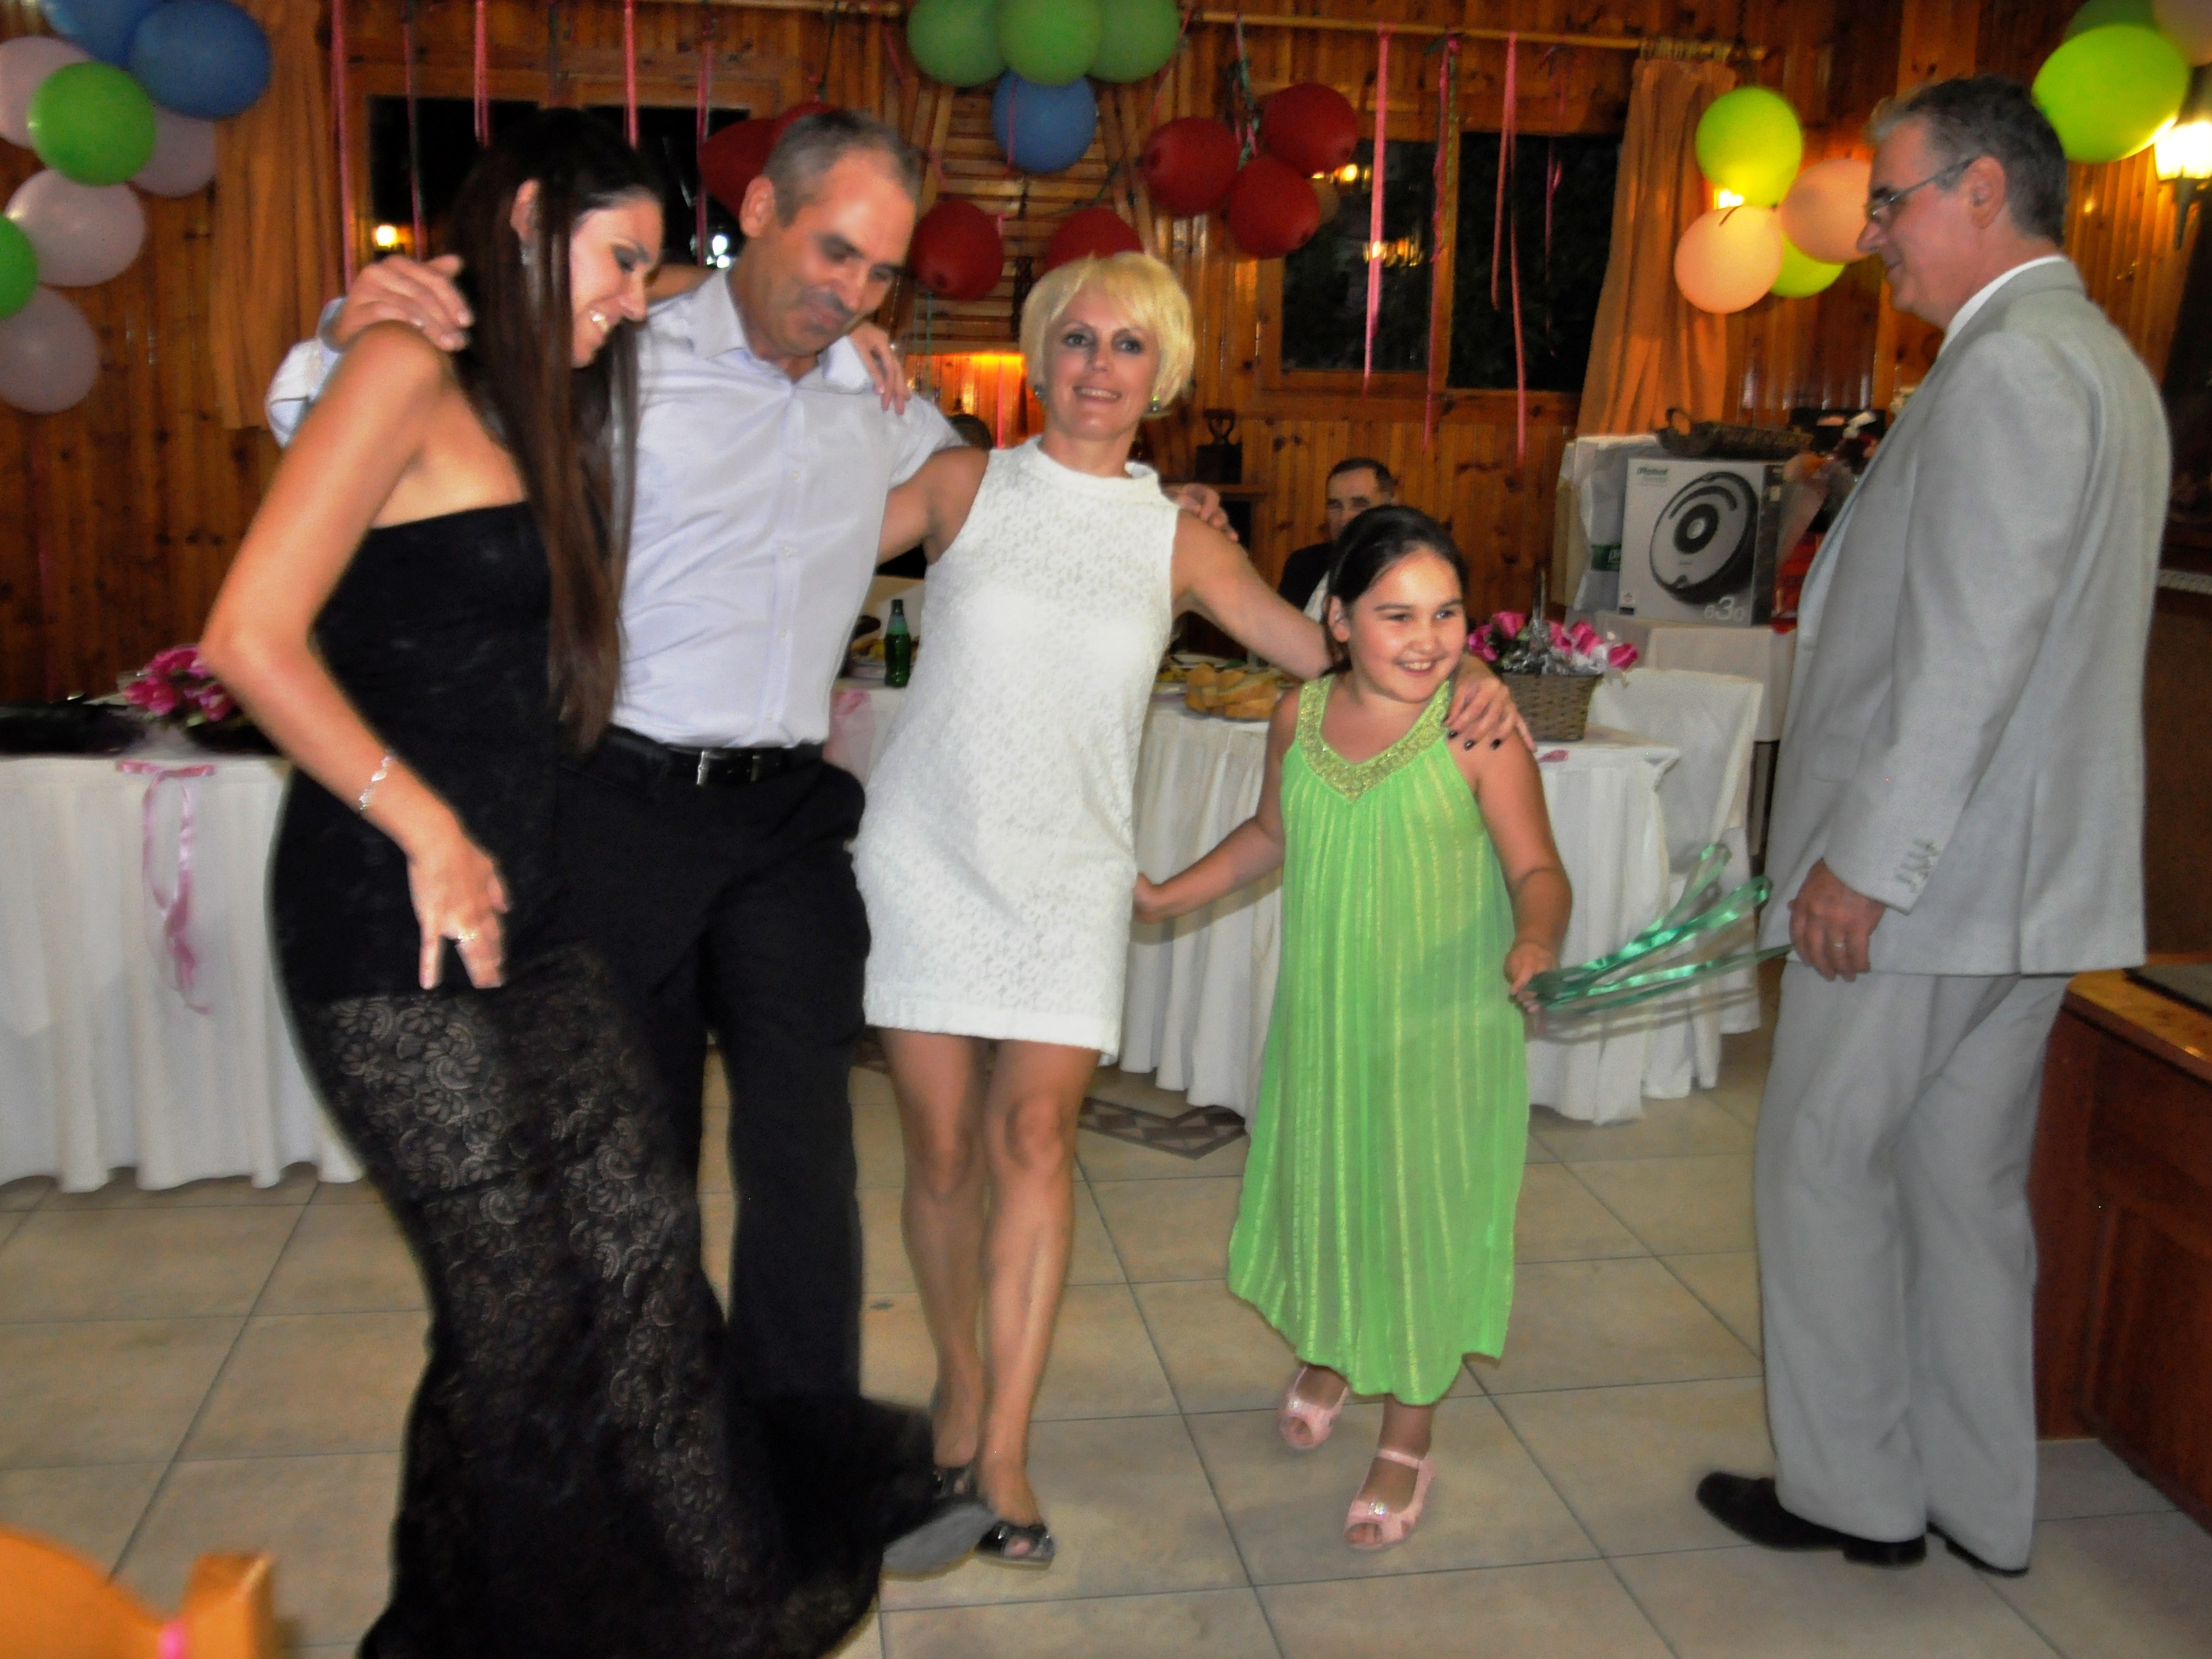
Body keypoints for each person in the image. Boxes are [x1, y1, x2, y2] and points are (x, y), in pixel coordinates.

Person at [202, 111, 935, 1657]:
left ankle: (699, 1587)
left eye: (883, 272)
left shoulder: (556, 392)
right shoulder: (431, 362)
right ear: (532, 218)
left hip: (541, 878)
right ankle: (479, 1624)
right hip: (403, 895)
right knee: (527, 1305)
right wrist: (352, 315)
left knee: (634, 1264)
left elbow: (940, 479)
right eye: (617, 263)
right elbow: (252, 625)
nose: (629, 298)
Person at [853, 256, 1524, 1565]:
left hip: (1072, 871)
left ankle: (1004, 1451)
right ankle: (959, 1387)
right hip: (929, 852)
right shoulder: (957, 483)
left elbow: (1335, 645)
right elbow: (798, 551)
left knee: (1034, 1142)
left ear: (1161, 375)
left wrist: (1466, 668)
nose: (1099, 366)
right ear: (1039, 355)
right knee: (936, 1153)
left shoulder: (1181, 539)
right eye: (1077, 338)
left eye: (1129, 345)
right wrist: (827, 366)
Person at [1694, 77, 2168, 1577]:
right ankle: (1975, 1497)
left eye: (1892, 201)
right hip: (2025, 882)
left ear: (1981, 190)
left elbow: (1971, 651)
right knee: (1964, 1191)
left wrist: (1863, 865)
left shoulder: (2013, 368)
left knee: (1819, 1161)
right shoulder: (2100, 360)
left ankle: (1854, 1492)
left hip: (1931, 884)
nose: (1874, 235)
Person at [1137, 506, 1570, 1549]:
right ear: (1336, 620)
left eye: (1446, 613)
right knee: (1332, 1187)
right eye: (1395, 614)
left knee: (1420, 1217)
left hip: (1442, 1030)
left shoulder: (1475, 729)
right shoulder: (1298, 715)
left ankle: (1407, 1434)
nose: (1427, 639)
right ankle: (1332, 1350)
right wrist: (1163, 895)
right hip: (1330, 1018)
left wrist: (1536, 938)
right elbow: (1269, 834)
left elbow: (1536, 868)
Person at [1276, 456, 1398, 611]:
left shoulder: (1404, 574)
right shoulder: (1303, 564)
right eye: (1335, 506)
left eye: (1359, 504)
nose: (1344, 517)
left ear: (1390, 509)